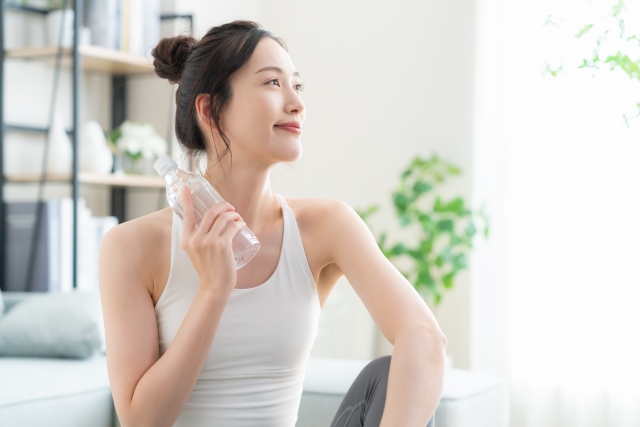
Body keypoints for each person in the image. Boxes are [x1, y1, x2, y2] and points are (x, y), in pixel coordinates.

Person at [99, 20, 445, 427]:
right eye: (272, 83)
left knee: (390, 375)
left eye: (297, 86)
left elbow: (424, 338)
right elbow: (140, 421)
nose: (296, 104)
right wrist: (213, 291)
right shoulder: (131, 247)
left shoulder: (327, 226)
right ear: (210, 110)